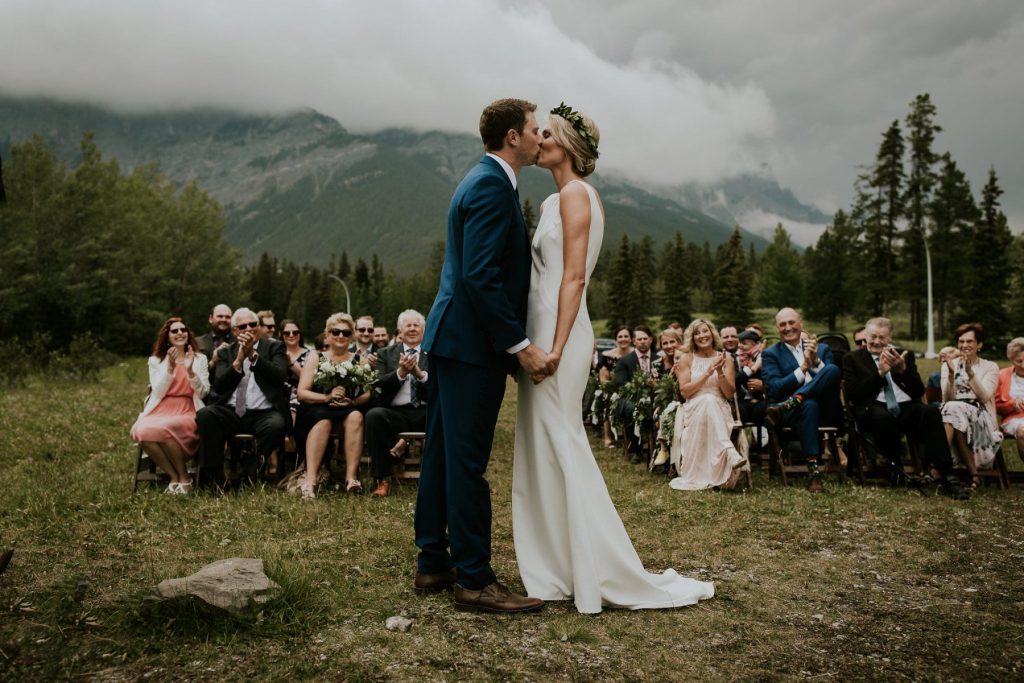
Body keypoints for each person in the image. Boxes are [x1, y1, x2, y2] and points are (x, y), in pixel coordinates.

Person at [512, 102, 714, 613]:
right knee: (541, 446)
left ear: (568, 147)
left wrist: (555, 346)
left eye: (547, 134)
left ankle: (595, 566)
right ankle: (554, 565)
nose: (539, 139)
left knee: (564, 440)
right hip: (538, 328)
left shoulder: (578, 195)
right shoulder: (550, 204)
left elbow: (574, 278)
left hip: (563, 334)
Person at [415, 98, 552, 614]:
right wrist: (518, 345)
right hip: (471, 346)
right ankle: (474, 578)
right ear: (513, 137)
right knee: (467, 463)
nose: (541, 138)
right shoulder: (493, 186)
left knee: (443, 455)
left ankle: (433, 561)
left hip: (453, 340)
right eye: (536, 130)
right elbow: (480, 276)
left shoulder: (482, 179)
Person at [842, 317, 968, 498]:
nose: (877, 341)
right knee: (881, 416)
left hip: (905, 407)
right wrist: (880, 373)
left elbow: (917, 391)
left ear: (890, 337)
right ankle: (896, 469)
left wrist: (902, 370)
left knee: (930, 411)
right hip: (872, 410)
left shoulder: (903, 355)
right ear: (866, 336)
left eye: (882, 337)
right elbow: (855, 394)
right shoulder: (852, 358)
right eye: (873, 336)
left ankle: (947, 475)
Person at [195, 308, 289, 490]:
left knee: (277, 425)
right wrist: (238, 361)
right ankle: (214, 478)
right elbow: (220, 386)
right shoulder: (225, 353)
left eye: (253, 324)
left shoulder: (274, 347)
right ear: (235, 331)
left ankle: (249, 477)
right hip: (231, 412)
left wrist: (254, 357)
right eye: (243, 326)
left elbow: (279, 377)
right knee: (206, 414)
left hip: (263, 413)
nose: (249, 329)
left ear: (259, 327)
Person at [762, 307, 842, 493]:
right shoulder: (771, 354)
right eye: (782, 324)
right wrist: (803, 367)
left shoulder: (822, 348)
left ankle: (795, 399)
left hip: (826, 410)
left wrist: (815, 362)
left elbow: (833, 380)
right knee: (809, 404)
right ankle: (814, 474)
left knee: (832, 370)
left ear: (801, 324)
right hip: (794, 414)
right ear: (777, 328)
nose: (788, 327)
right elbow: (774, 388)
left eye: (792, 322)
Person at [295, 312, 371, 498]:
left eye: (346, 333)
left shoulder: (359, 360)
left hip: (346, 408)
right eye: (336, 332)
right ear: (327, 334)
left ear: (352, 336)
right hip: (317, 409)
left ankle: (351, 479)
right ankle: (310, 481)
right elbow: (302, 393)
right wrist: (327, 397)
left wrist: (353, 401)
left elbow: (368, 393)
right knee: (324, 422)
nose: (340, 336)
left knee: (356, 416)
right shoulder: (316, 357)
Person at [131, 317, 210, 494]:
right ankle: (175, 477)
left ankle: (184, 478)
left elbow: (203, 392)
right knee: (142, 431)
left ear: (188, 334)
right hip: (161, 408)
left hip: (187, 408)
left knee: (166, 428)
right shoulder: (156, 360)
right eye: (175, 331)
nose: (180, 333)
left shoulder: (200, 359)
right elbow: (158, 392)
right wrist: (170, 368)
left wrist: (190, 372)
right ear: (168, 336)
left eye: (183, 330)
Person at [667, 319, 747, 491]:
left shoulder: (725, 358)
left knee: (710, 400)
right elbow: (686, 392)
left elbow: (728, 394)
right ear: (692, 338)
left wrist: (719, 372)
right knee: (706, 399)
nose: (702, 335)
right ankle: (729, 450)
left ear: (712, 333)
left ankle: (725, 457)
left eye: (705, 331)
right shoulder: (686, 359)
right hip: (693, 407)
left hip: (720, 406)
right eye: (697, 333)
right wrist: (708, 372)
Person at [365, 310, 429, 498]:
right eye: (407, 325)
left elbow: (441, 388)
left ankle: (435, 477)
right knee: (374, 415)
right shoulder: (385, 354)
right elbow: (378, 388)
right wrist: (400, 373)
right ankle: (382, 479)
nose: (411, 329)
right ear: (400, 331)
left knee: (445, 414)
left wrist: (420, 374)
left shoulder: (432, 353)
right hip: (396, 412)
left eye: (415, 325)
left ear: (423, 330)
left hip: (426, 410)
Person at [941, 323, 1001, 489]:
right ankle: (974, 475)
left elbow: (983, 397)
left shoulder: (990, 367)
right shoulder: (949, 364)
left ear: (979, 344)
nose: (964, 345)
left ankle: (938, 466)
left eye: (969, 341)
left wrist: (970, 373)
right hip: (953, 414)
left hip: (981, 416)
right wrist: (952, 375)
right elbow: (946, 398)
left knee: (953, 410)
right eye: (961, 341)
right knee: (953, 410)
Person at [614, 325, 658, 463]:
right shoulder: (624, 361)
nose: (643, 341)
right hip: (631, 397)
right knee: (634, 408)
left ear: (650, 340)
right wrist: (641, 386)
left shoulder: (659, 359)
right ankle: (636, 450)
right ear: (634, 341)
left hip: (655, 396)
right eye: (639, 339)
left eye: (645, 338)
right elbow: (621, 384)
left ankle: (659, 448)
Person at [598, 326, 633, 447]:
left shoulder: (635, 354)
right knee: (607, 399)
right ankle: (608, 436)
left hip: (632, 387)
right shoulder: (608, 355)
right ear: (616, 339)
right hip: (613, 388)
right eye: (620, 336)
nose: (623, 339)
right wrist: (612, 388)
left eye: (626, 336)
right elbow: (603, 378)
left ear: (631, 339)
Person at [996, 337, 1024, 464]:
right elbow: (996, 406)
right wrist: (1012, 404)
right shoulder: (1002, 375)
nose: (1023, 365)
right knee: (1022, 431)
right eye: (1019, 361)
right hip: (1014, 419)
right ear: (1011, 360)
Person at [736, 329, 766, 427]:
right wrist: (748, 370)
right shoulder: (737, 356)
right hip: (740, 397)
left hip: (758, 394)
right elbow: (734, 380)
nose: (740, 345)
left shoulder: (758, 353)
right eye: (740, 343)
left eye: (744, 344)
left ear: (753, 345)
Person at [195, 304, 234, 373]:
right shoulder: (198, 343)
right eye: (220, 316)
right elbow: (196, 373)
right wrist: (213, 361)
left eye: (228, 317)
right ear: (210, 319)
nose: (224, 319)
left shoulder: (239, 342)